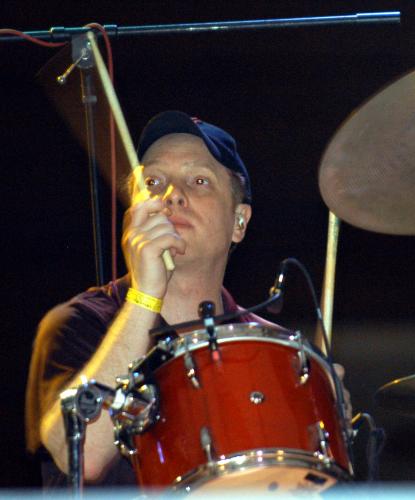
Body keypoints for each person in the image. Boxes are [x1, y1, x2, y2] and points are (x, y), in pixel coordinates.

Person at [25, 111, 349, 488]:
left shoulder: (275, 353)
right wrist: (145, 297)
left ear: (239, 222)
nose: (172, 195)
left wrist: (327, 427)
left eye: (198, 181)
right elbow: (82, 456)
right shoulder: (78, 323)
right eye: (153, 182)